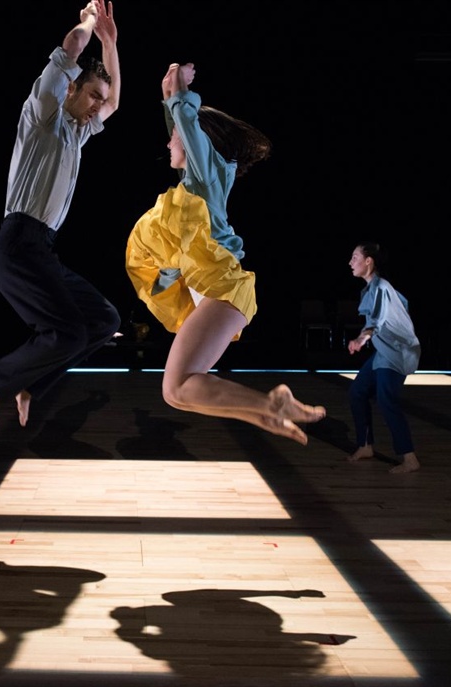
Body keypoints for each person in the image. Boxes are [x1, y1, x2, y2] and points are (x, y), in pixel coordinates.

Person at [125, 62, 326, 445]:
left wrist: (179, 93)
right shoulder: (195, 185)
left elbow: (187, 127)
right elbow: (181, 127)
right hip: (218, 293)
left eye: (175, 137)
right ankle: (265, 414)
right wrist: (169, 95)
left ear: (193, 140)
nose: (168, 142)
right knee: (176, 392)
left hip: (222, 290)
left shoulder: (205, 176)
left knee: (179, 386)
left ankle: (273, 403)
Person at [0, 0, 122, 431]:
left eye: (101, 98)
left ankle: (29, 386)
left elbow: (114, 104)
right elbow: (71, 48)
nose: (99, 105)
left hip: (41, 248)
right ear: (72, 88)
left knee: (104, 320)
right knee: (69, 333)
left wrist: (111, 43)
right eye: (93, 94)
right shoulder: (42, 113)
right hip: (17, 244)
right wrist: (91, 23)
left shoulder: (78, 134)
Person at [346, 242, 421, 473]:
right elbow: (402, 303)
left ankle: (410, 458)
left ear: (369, 261)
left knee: (386, 400)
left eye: (355, 257)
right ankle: (365, 445)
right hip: (384, 350)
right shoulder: (371, 289)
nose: (351, 262)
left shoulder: (381, 287)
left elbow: (376, 321)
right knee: (357, 392)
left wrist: (361, 339)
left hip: (398, 352)